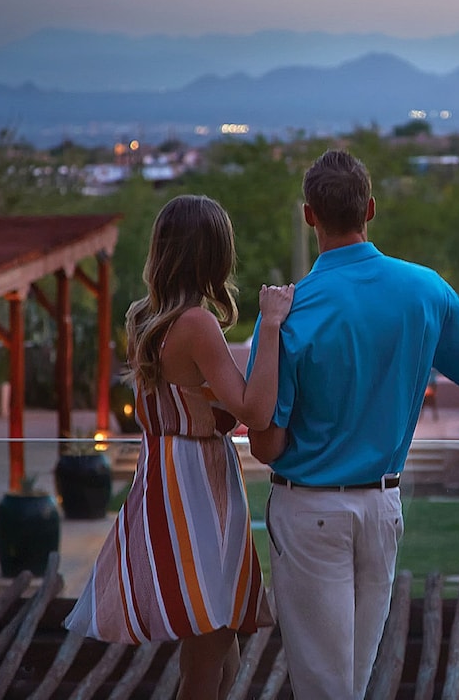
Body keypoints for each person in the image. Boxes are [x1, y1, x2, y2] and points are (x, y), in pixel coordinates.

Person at [245, 149, 459, 699]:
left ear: (309, 215)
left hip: (310, 511)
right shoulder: (425, 290)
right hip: (382, 510)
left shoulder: (292, 312)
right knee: (353, 682)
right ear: (371, 208)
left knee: (324, 686)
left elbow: (267, 445)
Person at [65, 195, 294, 700]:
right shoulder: (196, 324)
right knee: (210, 650)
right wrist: (272, 325)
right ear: (212, 254)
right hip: (198, 486)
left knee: (215, 647)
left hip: (166, 476)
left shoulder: (143, 318)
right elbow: (253, 412)